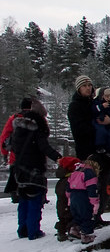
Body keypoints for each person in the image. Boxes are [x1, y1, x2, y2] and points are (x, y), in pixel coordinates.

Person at [10, 99, 62, 239]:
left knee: (24, 200)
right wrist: (58, 158)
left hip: (20, 169)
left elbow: (11, 146)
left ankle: (22, 230)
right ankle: (33, 231)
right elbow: (44, 147)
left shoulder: (19, 128)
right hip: (34, 169)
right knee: (34, 200)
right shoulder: (38, 129)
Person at [67, 75, 110, 222]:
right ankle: (87, 218)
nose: (88, 88)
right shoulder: (76, 106)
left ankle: (98, 214)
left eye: (90, 85)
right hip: (87, 150)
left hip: (102, 149)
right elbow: (79, 129)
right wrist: (98, 126)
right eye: (85, 86)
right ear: (79, 88)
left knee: (104, 184)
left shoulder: (94, 103)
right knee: (90, 185)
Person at [2, 97, 32, 201]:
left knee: (14, 174)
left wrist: (5, 153)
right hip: (32, 156)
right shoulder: (37, 118)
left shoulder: (14, 118)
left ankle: (15, 194)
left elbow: (4, 137)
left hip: (16, 155)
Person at [67, 156, 102, 245]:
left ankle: (74, 229)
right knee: (87, 215)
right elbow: (92, 189)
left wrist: (69, 198)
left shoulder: (76, 172)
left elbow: (68, 187)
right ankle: (86, 235)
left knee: (77, 215)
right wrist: (95, 202)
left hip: (73, 196)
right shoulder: (89, 173)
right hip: (83, 197)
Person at [54, 155, 80, 240]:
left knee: (62, 218)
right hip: (67, 204)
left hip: (61, 205)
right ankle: (70, 230)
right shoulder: (69, 180)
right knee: (69, 218)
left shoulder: (62, 180)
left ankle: (61, 231)